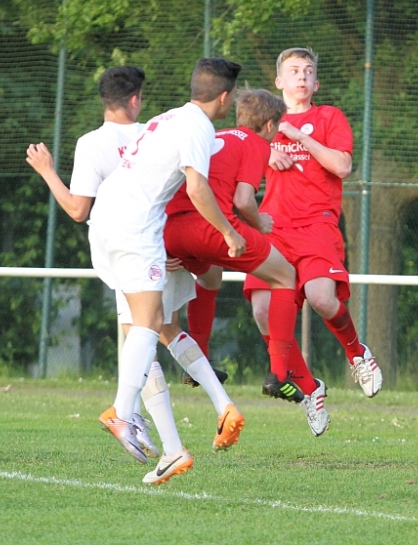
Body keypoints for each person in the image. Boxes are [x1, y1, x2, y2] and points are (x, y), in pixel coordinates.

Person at [26, 66, 198, 485]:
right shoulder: (152, 134)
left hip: (118, 249)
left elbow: (77, 209)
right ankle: (135, 420)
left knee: (143, 334)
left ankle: (150, 432)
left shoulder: (92, 143)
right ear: (136, 99)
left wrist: (47, 170)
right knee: (151, 332)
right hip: (152, 246)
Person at [88, 58, 247, 479]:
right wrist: (229, 233)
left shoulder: (168, 117)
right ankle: (123, 412)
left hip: (108, 221)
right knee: (149, 323)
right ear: (224, 97)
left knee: (152, 324)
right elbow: (197, 187)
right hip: (135, 226)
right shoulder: (199, 127)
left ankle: (172, 450)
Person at [164, 88, 329, 436]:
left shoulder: (215, 135)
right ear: (269, 125)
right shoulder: (257, 143)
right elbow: (242, 200)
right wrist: (258, 222)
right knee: (285, 276)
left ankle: (199, 358)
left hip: (172, 229)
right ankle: (279, 374)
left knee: (210, 278)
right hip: (210, 228)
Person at [243, 47, 382, 406]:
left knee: (321, 298)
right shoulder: (264, 124)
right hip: (273, 227)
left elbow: (342, 166)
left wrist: (299, 136)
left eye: (307, 71)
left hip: (317, 224)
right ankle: (307, 384)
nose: (301, 76)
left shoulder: (329, 117)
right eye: (294, 70)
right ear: (279, 81)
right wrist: (266, 150)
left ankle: (357, 354)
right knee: (262, 311)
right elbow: (238, 159)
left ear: (316, 83)